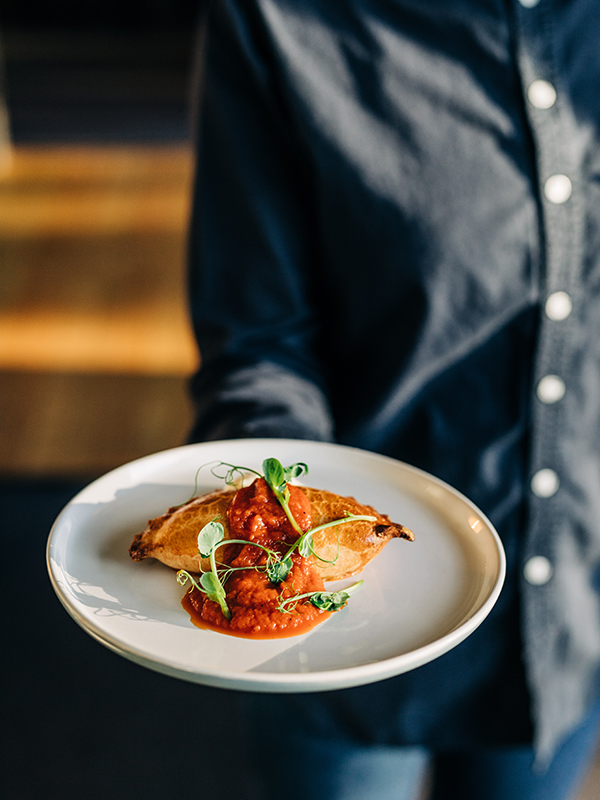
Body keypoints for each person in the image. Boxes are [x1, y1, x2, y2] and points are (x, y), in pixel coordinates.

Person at [186, 1, 600, 798]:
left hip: (572, 612)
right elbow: (258, 343)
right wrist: (277, 536)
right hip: (345, 649)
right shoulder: (272, 20)